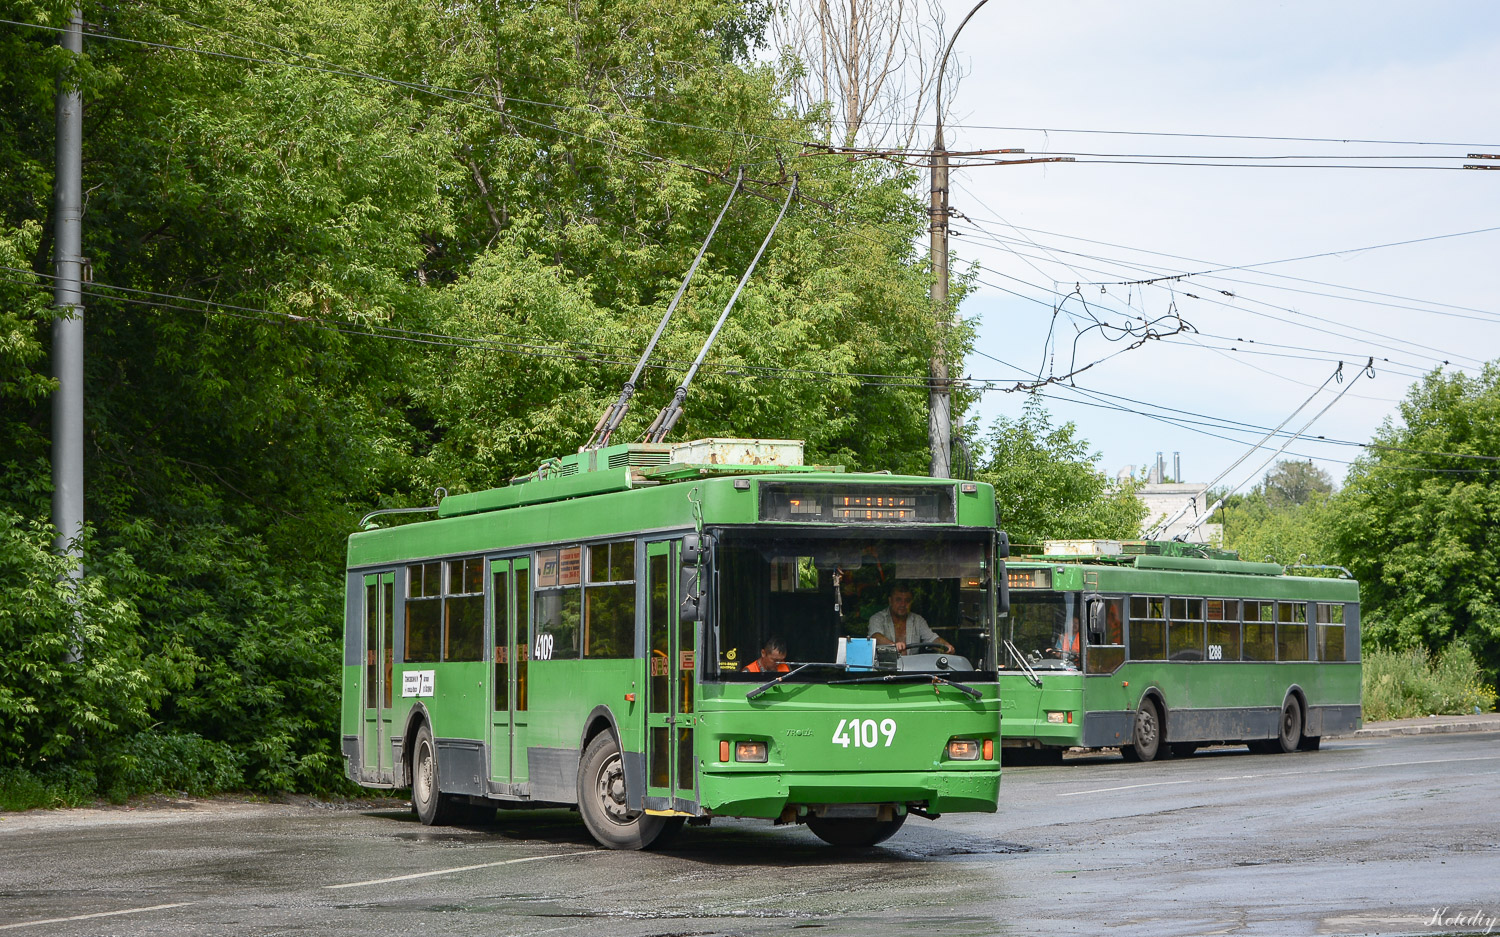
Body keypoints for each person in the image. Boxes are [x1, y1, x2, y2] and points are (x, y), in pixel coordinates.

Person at [868, 583, 952, 653]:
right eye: (898, 600)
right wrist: (893, 645)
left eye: (907, 600)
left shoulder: (918, 620)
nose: (903, 604)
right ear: (890, 600)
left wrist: (945, 646)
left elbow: (931, 638)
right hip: (885, 668)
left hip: (913, 668)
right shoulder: (877, 618)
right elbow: (875, 636)